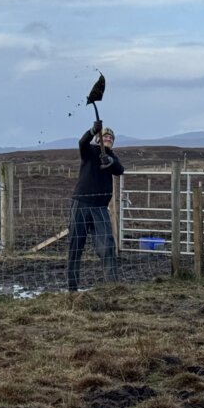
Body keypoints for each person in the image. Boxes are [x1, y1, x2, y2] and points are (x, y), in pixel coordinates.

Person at [67, 119, 124, 291]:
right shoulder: (89, 151)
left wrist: (110, 160)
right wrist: (92, 130)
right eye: (105, 136)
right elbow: (82, 142)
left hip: (100, 208)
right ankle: (72, 288)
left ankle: (113, 286)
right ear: (99, 140)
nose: (108, 139)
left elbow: (120, 170)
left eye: (111, 138)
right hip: (81, 203)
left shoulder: (112, 157)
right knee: (75, 246)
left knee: (107, 246)